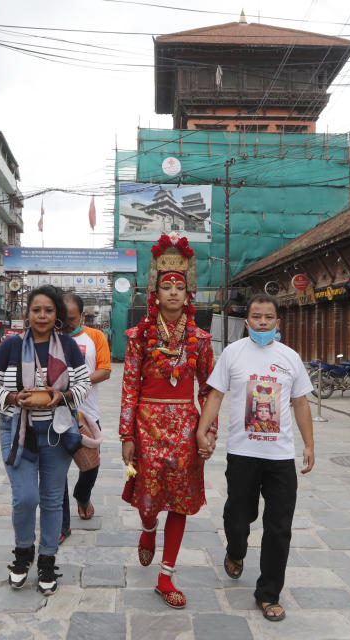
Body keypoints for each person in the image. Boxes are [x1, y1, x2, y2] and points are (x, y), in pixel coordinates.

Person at [196, 293, 315, 623]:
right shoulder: (233, 354)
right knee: (239, 515)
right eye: (257, 317)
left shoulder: (289, 357)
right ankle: (236, 550)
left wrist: (309, 445)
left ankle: (268, 593)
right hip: (242, 454)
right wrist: (201, 430)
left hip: (280, 458)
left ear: (278, 321)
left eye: (269, 317)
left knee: (279, 527)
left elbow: (301, 403)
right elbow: (216, 394)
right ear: (246, 321)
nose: (263, 323)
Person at [120, 233, 215, 610]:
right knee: (148, 501)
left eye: (179, 286)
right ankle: (147, 531)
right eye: (166, 286)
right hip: (146, 426)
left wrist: (206, 432)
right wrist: (126, 434)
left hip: (186, 430)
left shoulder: (202, 340)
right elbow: (129, 386)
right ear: (154, 294)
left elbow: (209, 390)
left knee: (179, 502)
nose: (173, 292)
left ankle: (166, 575)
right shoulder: (138, 337)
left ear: (188, 293)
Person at [0, 285, 91, 596]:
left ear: (57, 315)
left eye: (48, 310)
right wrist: (14, 397)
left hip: (57, 433)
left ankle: (46, 559)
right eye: (36, 310)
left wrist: (63, 394)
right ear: (27, 314)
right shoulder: (10, 347)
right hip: (18, 432)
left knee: (53, 500)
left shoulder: (68, 347)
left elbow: (83, 385)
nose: (41, 316)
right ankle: (23, 553)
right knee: (25, 498)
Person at [59, 292, 112, 544]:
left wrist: (74, 383)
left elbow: (105, 370)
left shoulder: (94, 337)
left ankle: (82, 494)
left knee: (91, 466)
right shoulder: (51, 336)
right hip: (55, 416)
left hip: (87, 414)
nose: (67, 323)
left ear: (82, 316)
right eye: (63, 318)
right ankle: (61, 524)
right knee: (56, 472)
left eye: (71, 318)